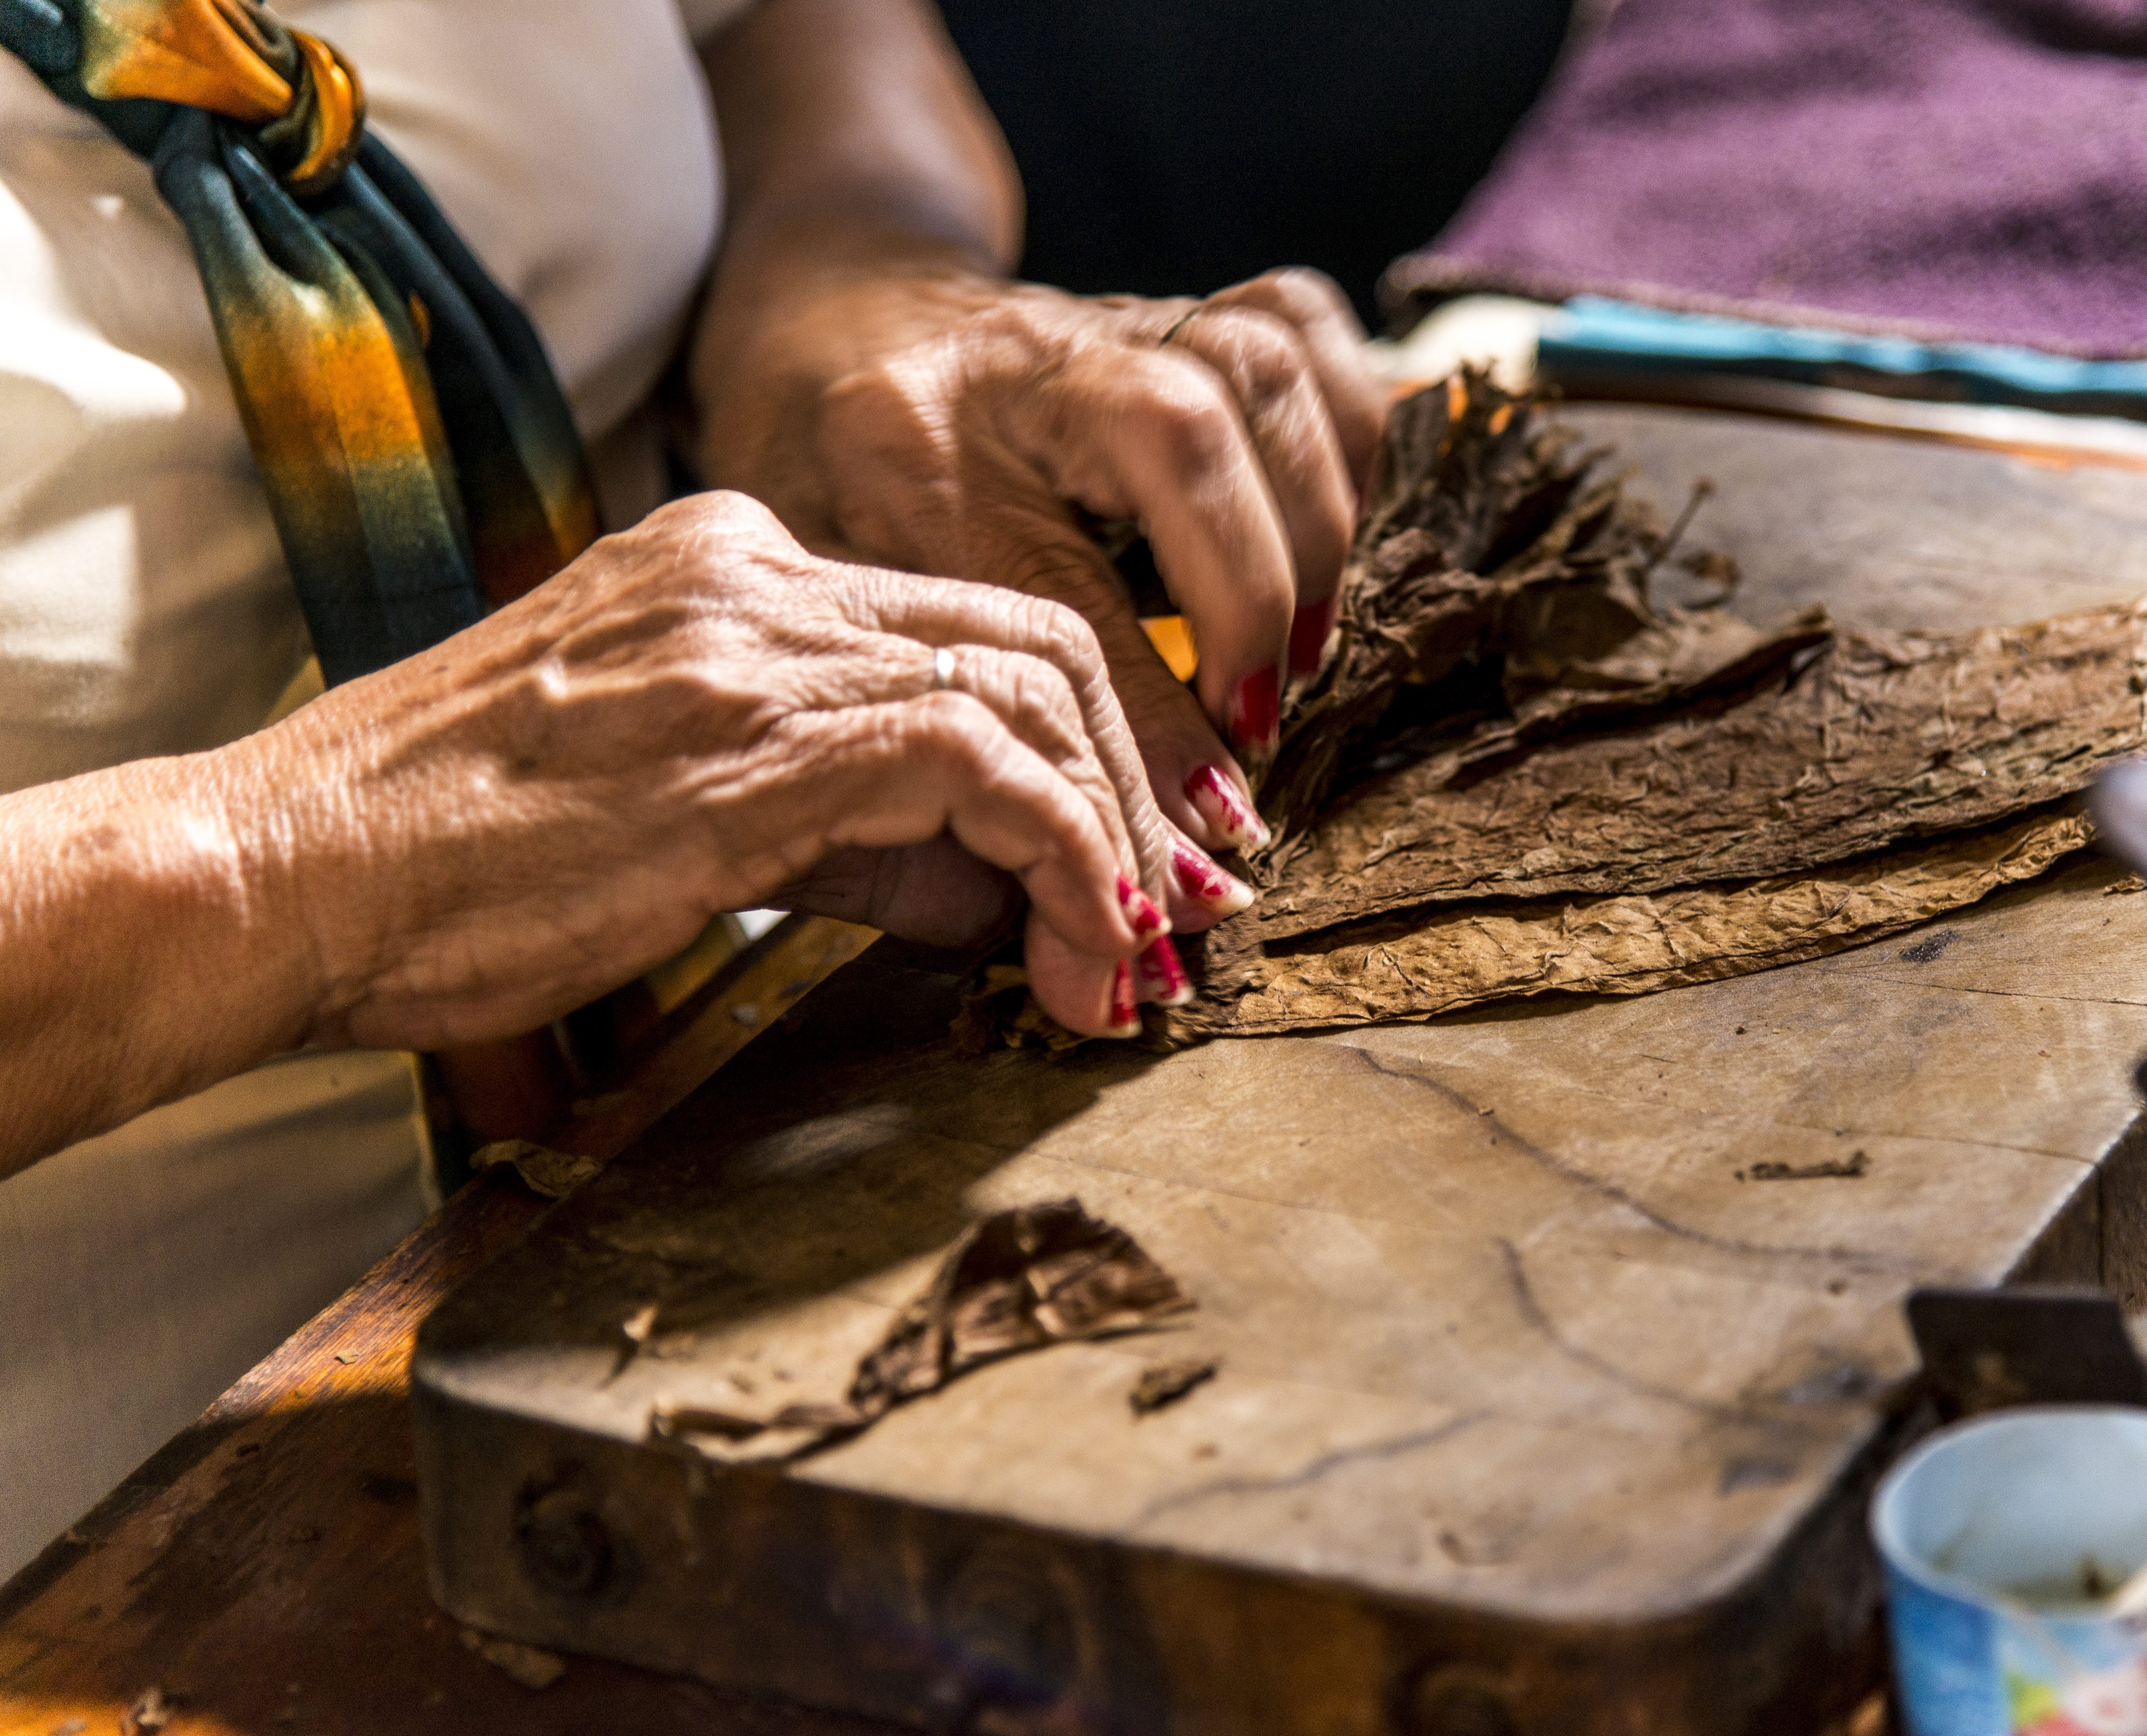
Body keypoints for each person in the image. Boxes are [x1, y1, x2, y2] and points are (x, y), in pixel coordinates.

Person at [0, 0, 1384, 1572]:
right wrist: (307, 855)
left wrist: (840, 295)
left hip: (733, 1186)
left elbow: (787, 35)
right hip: (110, 1564)